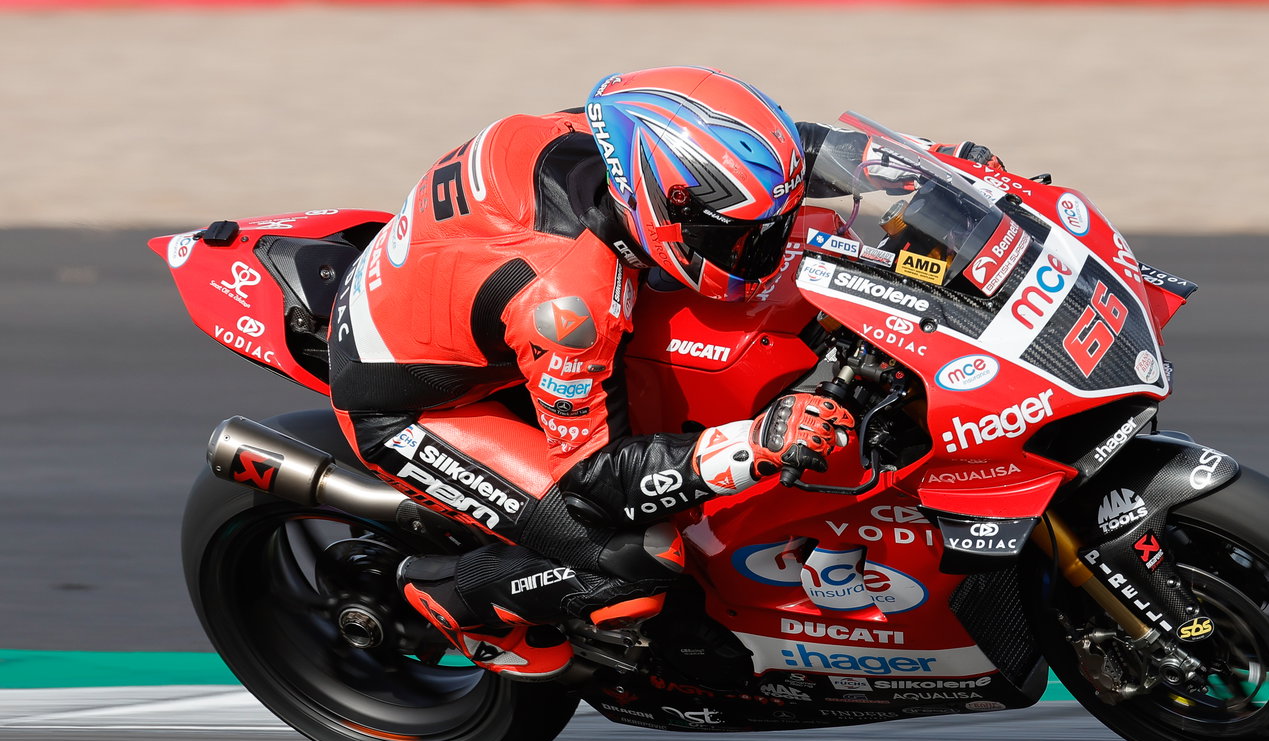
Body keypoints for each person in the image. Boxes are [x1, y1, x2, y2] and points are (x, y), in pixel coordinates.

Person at [327, 66, 992, 680]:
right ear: (665, 212)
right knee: (636, 557)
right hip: (418, 403)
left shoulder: (626, 138)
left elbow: (795, 153)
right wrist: (757, 444)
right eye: (743, 238)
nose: (765, 249)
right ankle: (451, 595)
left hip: (448, 288)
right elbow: (594, 479)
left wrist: (939, 178)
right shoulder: (568, 306)